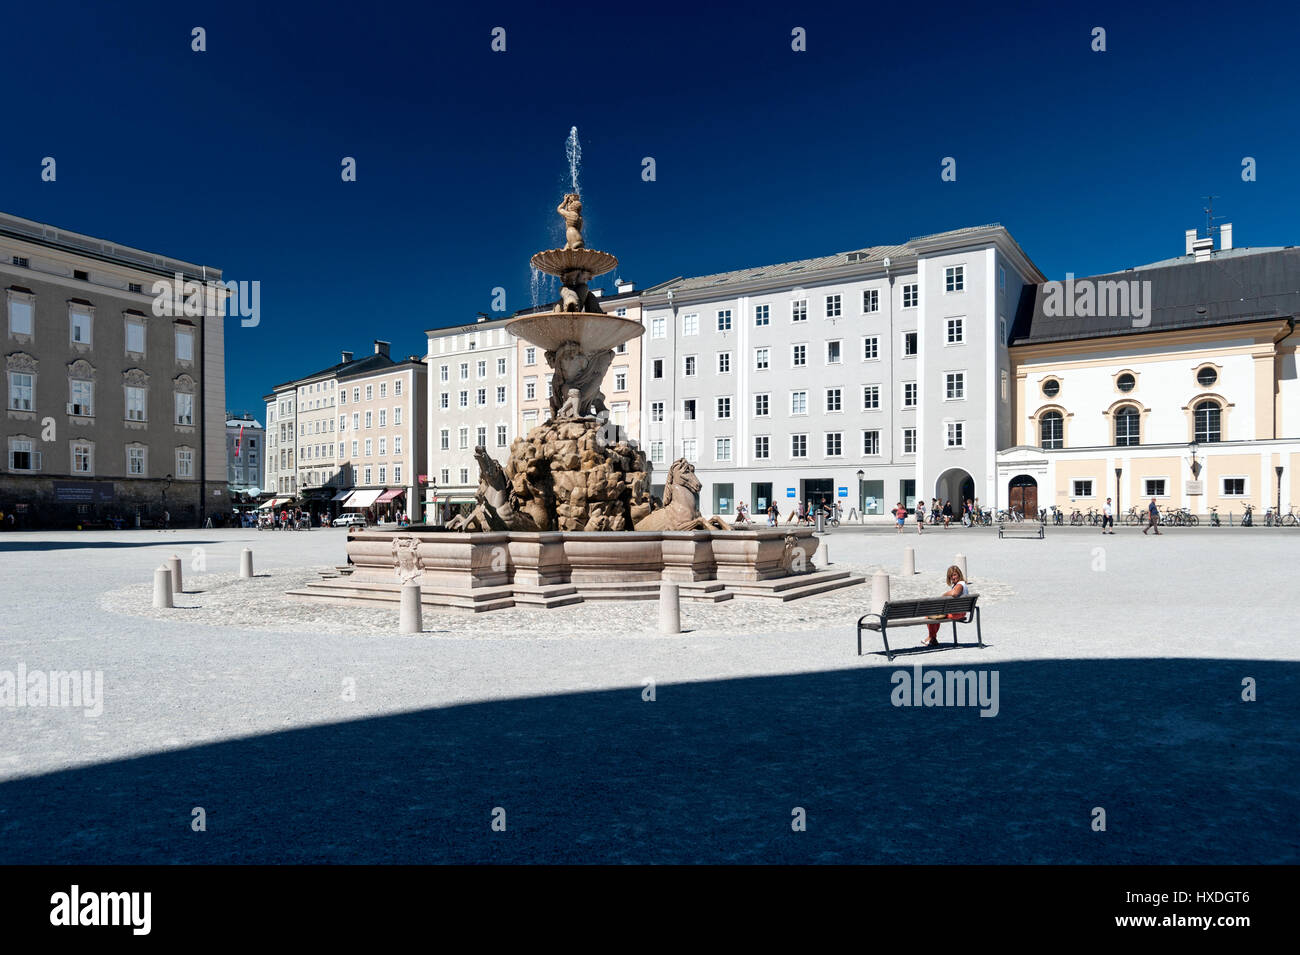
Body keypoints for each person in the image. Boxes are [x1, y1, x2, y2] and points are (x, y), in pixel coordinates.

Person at [923, 565, 970, 646]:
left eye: (954, 575)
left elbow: (955, 593)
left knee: (930, 616)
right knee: (935, 615)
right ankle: (932, 638)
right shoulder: (961, 584)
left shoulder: (960, 585)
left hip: (956, 614)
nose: (953, 577)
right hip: (960, 612)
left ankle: (931, 637)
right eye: (951, 576)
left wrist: (944, 595)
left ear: (959, 574)